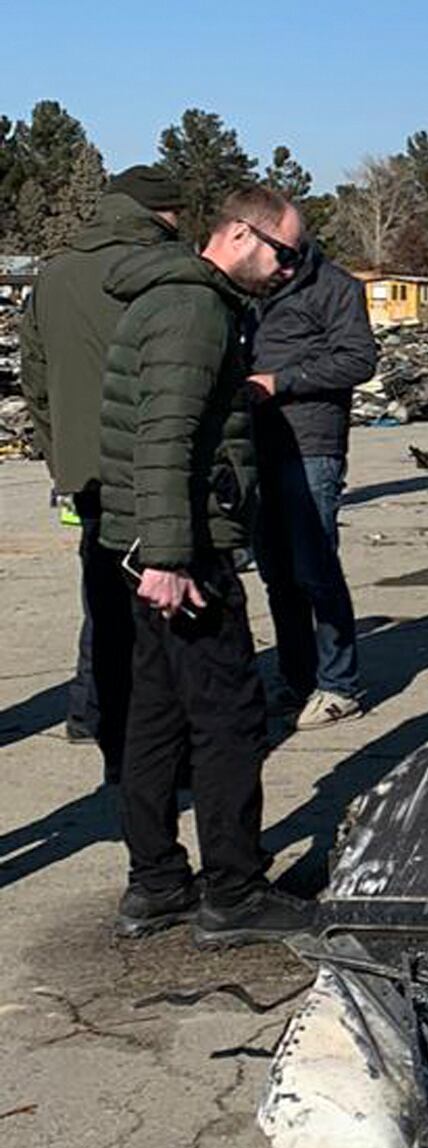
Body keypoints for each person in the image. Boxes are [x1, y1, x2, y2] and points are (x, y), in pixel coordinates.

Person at [96, 186, 318, 945]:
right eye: (285, 254)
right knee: (229, 718)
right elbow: (166, 435)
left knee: (156, 716)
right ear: (238, 234)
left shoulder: (174, 300)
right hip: (181, 550)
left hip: (149, 545)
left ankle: (156, 881)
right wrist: (168, 555)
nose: (290, 270)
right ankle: (233, 889)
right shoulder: (196, 312)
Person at [18, 165, 184, 768]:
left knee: (103, 594)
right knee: (165, 605)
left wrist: (61, 456)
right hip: (155, 465)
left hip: (85, 470)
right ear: (161, 215)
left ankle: (93, 713)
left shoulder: (54, 275)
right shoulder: (161, 272)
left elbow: (33, 378)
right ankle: (147, 742)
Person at [248, 233, 379, 727]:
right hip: (259, 444)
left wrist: (281, 382)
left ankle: (338, 685)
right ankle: (296, 678)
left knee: (314, 568)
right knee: (276, 573)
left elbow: (358, 359)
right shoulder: (253, 289)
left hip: (311, 445)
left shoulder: (334, 287)